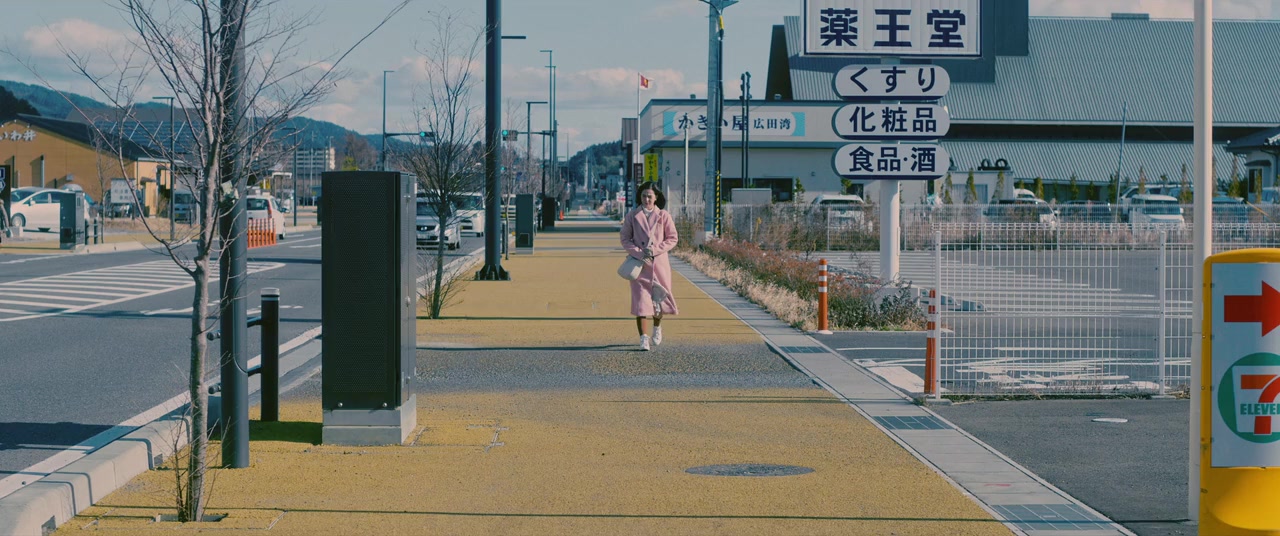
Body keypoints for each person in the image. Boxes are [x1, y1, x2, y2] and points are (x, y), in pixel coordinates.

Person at [620, 182, 679, 351]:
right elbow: (625, 239)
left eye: (649, 196)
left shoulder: (663, 216)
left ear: (656, 197)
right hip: (639, 266)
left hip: (659, 265)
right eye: (643, 196)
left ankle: (657, 327)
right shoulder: (632, 216)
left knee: (659, 302)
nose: (646, 199)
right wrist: (639, 253)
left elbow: (672, 238)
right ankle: (643, 338)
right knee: (640, 303)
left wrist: (654, 250)